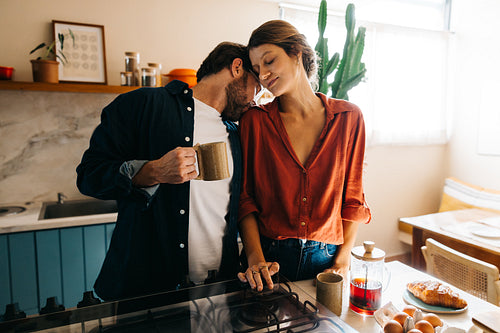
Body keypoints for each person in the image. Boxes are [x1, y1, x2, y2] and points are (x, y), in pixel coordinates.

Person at [76, 42, 261, 301]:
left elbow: (240, 204)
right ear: (237, 67)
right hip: (149, 293)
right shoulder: (142, 105)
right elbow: (88, 176)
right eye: (257, 87)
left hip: (220, 290)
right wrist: (151, 172)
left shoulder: (237, 132)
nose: (255, 99)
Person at [237, 20, 371, 291]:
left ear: (296, 52)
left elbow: (353, 198)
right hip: (267, 261)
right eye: (256, 69)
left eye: (269, 61)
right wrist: (255, 259)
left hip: (326, 261)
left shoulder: (349, 118)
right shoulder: (255, 121)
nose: (262, 75)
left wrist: (343, 260)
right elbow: (245, 198)